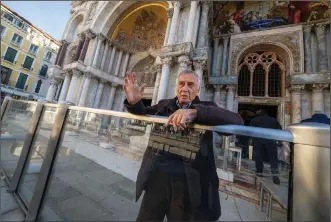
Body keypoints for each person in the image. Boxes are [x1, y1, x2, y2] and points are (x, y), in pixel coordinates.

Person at [123, 70, 243, 221]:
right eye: (182, 84)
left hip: (188, 184)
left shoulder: (207, 107)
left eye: (190, 85)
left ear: (198, 89)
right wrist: (134, 103)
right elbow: (143, 113)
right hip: (156, 177)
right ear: (177, 87)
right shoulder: (164, 104)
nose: (185, 88)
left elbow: (237, 122)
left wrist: (195, 112)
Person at [248, 109, 282, 185]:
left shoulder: (255, 120)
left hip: (258, 141)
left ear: (260, 114)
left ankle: (259, 172)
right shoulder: (273, 120)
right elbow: (279, 130)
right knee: (273, 158)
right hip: (271, 141)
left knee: (259, 157)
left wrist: (251, 140)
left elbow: (250, 130)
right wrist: (279, 141)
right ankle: (275, 175)